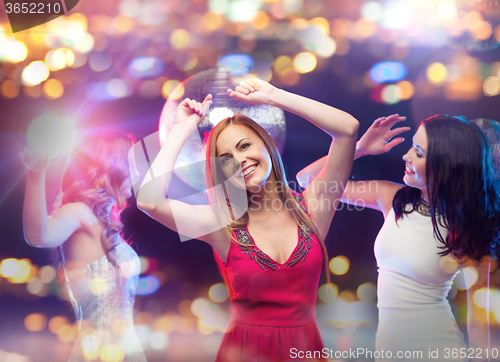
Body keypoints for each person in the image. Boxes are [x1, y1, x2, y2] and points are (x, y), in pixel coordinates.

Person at [136, 78, 359, 362]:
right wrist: (182, 130)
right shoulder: (220, 224)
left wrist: (275, 96)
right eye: (225, 158)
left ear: (267, 145)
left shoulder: (313, 207)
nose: (239, 160)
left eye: (244, 146)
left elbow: (348, 129)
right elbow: (148, 201)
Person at [297, 115, 499, 361]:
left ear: (447, 164)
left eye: (419, 153)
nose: (406, 156)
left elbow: (480, 322)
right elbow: (308, 181)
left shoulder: (468, 226)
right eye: (412, 147)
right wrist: (358, 149)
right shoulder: (393, 198)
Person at [21, 129, 147, 362]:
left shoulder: (105, 222)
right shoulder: (80, 212)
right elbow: (38, 235)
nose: (137, 172)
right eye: (130, 163)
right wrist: (36, 173)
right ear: (112, 165)